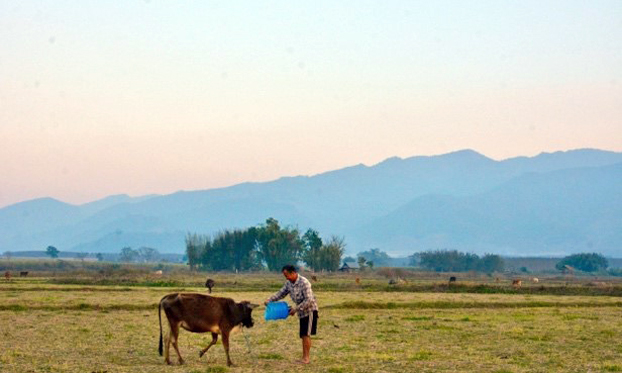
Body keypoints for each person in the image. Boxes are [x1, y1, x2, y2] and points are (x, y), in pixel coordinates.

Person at [265, 264, 318, 364]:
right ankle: (304, 357)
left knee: (306, 334)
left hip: (310, 310)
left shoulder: (304, 282)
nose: (286, 278)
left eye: (287, 275)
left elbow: (309, 300)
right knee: (303, 334)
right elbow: (280, 293)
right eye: (285, 276)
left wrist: (296, 309)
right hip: (301, 311)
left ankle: (306, 359)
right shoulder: (289, 283)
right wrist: (269, 300)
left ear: (293, 273)